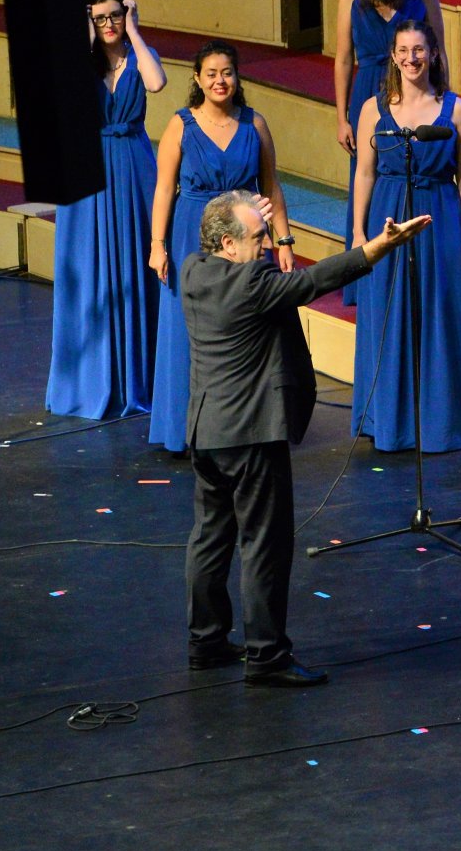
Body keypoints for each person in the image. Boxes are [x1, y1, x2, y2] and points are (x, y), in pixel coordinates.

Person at [183, 189, 431, 686]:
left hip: (208, 432)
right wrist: (379, 246)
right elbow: (315, 280)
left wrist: (257, 221)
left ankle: (206, 640)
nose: (269, 246)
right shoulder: (254, 283)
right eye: (259, 238)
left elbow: (252, 256)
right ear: (229, 245)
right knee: (264, 545)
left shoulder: (194, 270)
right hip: (251, 434)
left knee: (211, 538)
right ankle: (266, 655)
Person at [148, 42, 295, 453]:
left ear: (237, 77)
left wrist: (283, 240)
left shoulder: (255, 124)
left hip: (246, 237)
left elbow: (271, 187)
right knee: (186, 328)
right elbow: (163, 190)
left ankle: (243, 425)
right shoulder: (181, 125)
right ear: (197, 78)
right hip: (190, 235)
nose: (220, 81)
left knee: (245, 326)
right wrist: (158, 245)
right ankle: (184, 428)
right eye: (211, 73)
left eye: (227, 72)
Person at [351, 20, 461, 452]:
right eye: (403, 50)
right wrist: (358, 231)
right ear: (392, 56)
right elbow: (364, 173)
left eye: (419, 50)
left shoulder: (457, 109)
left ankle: (444, 423)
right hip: (388, 219)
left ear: (433, 53)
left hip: (440, 218)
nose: (411, 58)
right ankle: (392, 422)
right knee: (388, 318)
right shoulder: (373, 110)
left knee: (441, 316)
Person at [46, 0, 166, 420]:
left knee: (137, 269)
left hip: (134, 167)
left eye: (115, 14)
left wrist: (135, 31)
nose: (110, 24)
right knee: (93, 269)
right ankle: (92, 380)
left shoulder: (137, 54)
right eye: (100, 18)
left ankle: (141, 379)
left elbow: (156, 83)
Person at [333, 0, 445, 303]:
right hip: (367, 91)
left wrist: (442, 102)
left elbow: (439, 52)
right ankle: (365, 271)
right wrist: (341, 117)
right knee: (367, 177)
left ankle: (418, 262)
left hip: (414, 91)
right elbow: (343, 58)